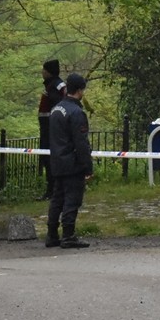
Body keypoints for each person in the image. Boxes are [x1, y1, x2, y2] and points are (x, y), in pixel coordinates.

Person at [46, 72, 93, 249]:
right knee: (72, 199)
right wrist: (87, 166)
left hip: (57, 161)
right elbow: (81, 143)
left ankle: (51, 234)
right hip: (72, 163)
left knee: (57, 199)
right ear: (80, 90)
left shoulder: (56, 109)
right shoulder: (76, 113)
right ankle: (68, 235)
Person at [37, 59, 66, 201]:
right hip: (48, 128)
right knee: (47, 157)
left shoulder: (54, 86)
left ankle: (53, 189)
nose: (42, 72)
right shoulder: (55, 85)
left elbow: (58, 105)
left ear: (49, 72)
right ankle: (54, 188)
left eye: (44, 70)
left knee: (49, 158)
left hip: (50, 129)